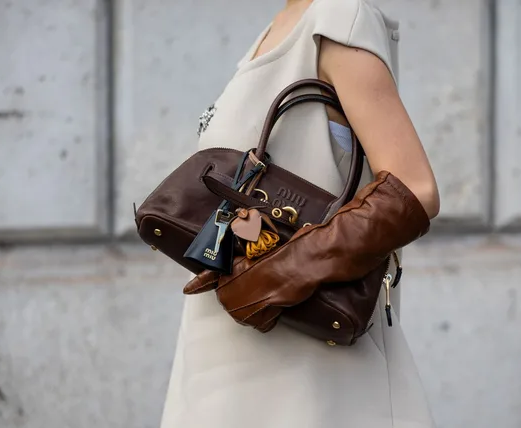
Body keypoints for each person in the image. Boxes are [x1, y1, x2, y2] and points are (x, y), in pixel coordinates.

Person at [160, 0, 440, 427]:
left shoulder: (338, 16)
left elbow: (414, 190)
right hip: (228, 367)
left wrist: (276, 276)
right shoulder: (280, 27)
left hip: (306, 377)